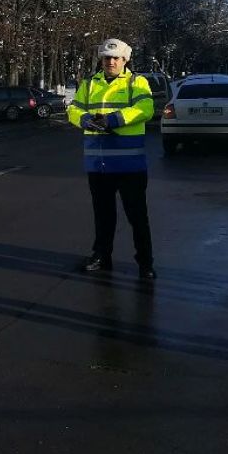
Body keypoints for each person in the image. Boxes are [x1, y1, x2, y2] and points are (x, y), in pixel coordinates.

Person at [66, 38, 157, 280]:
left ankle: (145, 263)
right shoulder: (89, 83)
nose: (111, 62)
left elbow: (145, 109)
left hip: (130, 165)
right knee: (103, 214)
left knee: (137, 216)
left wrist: (112, 120)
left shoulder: (136, 82)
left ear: (125, 60)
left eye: (116, 58)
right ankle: (101, 256)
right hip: (98, 164)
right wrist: (86, 120)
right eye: (107, 58)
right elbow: (73, 109)